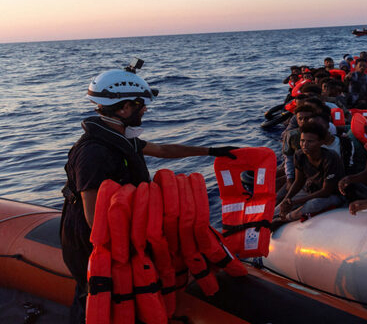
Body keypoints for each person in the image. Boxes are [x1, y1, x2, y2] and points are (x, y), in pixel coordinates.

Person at [61, 62, 238, 323]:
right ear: (122, 108)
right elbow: (92, 217)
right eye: (140, 104)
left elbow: (164, 151)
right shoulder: (94, 153)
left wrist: (211, 151)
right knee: (96, 297)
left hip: (125, 233)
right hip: (90, 241)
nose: (145, 108)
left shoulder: (120, 135)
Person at [275, 122, 346, 222]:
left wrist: (295, 202)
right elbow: (298, 181)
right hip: (311, 190)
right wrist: (287, 199)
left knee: (313, 204)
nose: (304, 145)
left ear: (321, 142)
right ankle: (274, 217)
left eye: (310, 141)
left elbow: (326, 191)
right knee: (276, 210)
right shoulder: (300, 155)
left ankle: (283, 220)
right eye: (302, 141)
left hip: (332, 195)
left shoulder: (330, 158)